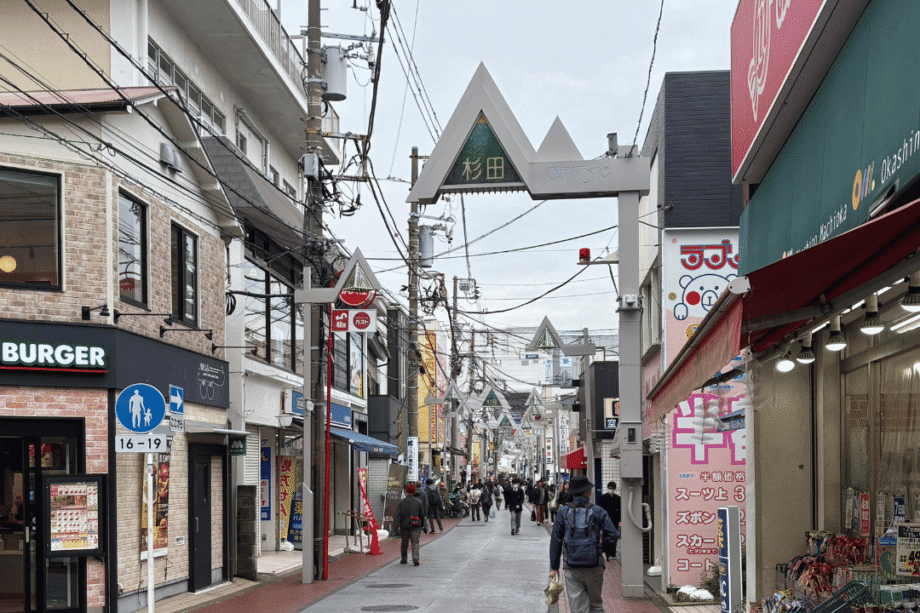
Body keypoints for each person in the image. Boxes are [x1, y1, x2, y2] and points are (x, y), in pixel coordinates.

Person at [549, 475, 620, 613]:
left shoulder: (563, 512)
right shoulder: (598, 511)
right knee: (596, 606)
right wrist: (601, 550)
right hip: (594, 565)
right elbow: (613, 535)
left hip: (572, 566)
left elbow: (556, 539)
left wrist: (554, 566)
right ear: (587, 492)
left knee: (578, 608)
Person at [395, 483, 425, 566]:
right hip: (415, 525)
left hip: (404, 526)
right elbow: (422, 515)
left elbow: (398, 515)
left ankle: (404, 558)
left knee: (404, 543)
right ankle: (415, 558)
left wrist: (395, 526)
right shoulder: (418, 502)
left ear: (406, 491)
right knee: (415, 542)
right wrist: (422, 524)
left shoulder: (402, 502)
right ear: (414, 491)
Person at [599, 481, 622, 559]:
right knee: (606, 536)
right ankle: (607, 552)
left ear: (615, 489)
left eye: (612, 488)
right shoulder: (603, 497)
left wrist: (619, 519)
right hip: (606, 520)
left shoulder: (618, 498)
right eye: (609, 488)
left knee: (614, 536)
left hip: (615, 520)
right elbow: (601, 509)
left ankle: (613, 552)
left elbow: (620, 509)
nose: (610, 489)